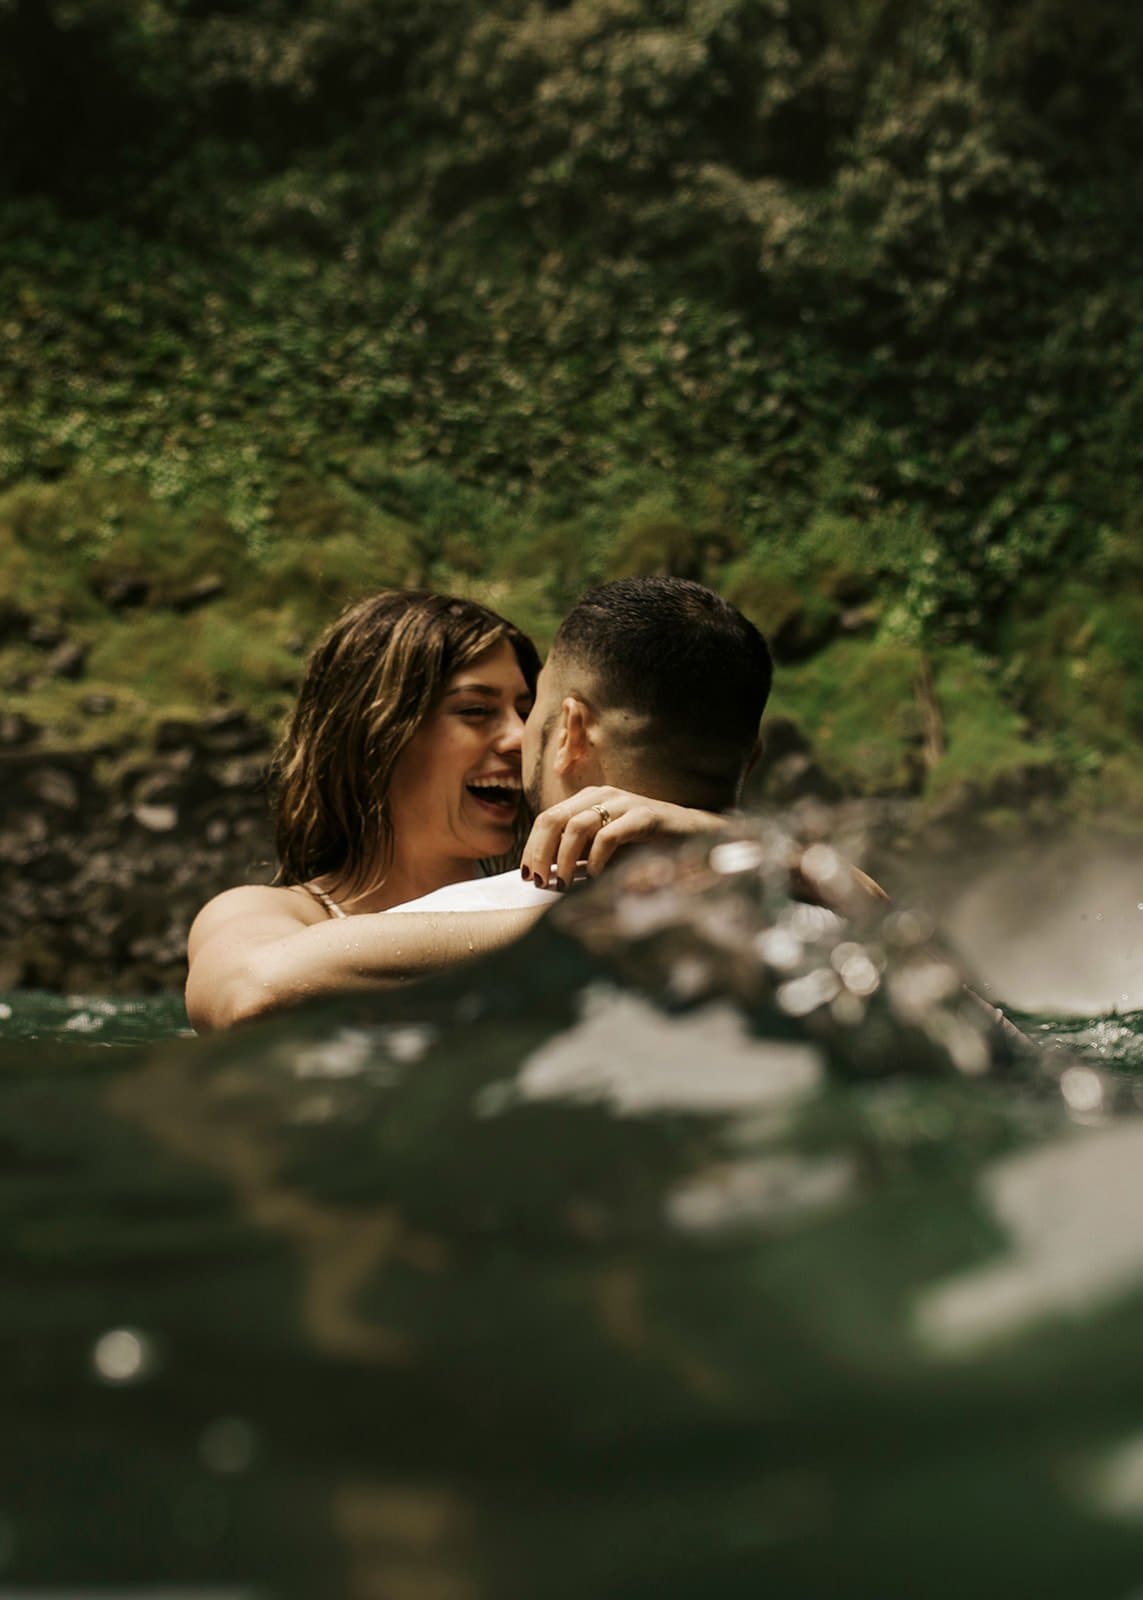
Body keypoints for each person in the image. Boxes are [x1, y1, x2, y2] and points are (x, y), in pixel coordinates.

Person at [186, 578, 771, 1031]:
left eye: (524, 708)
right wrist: (611, 923)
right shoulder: (269, 915)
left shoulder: (553, 886)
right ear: (372, 733)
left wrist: (719, 839)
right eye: (474, 710)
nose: (520, 738)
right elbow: (247, 994)